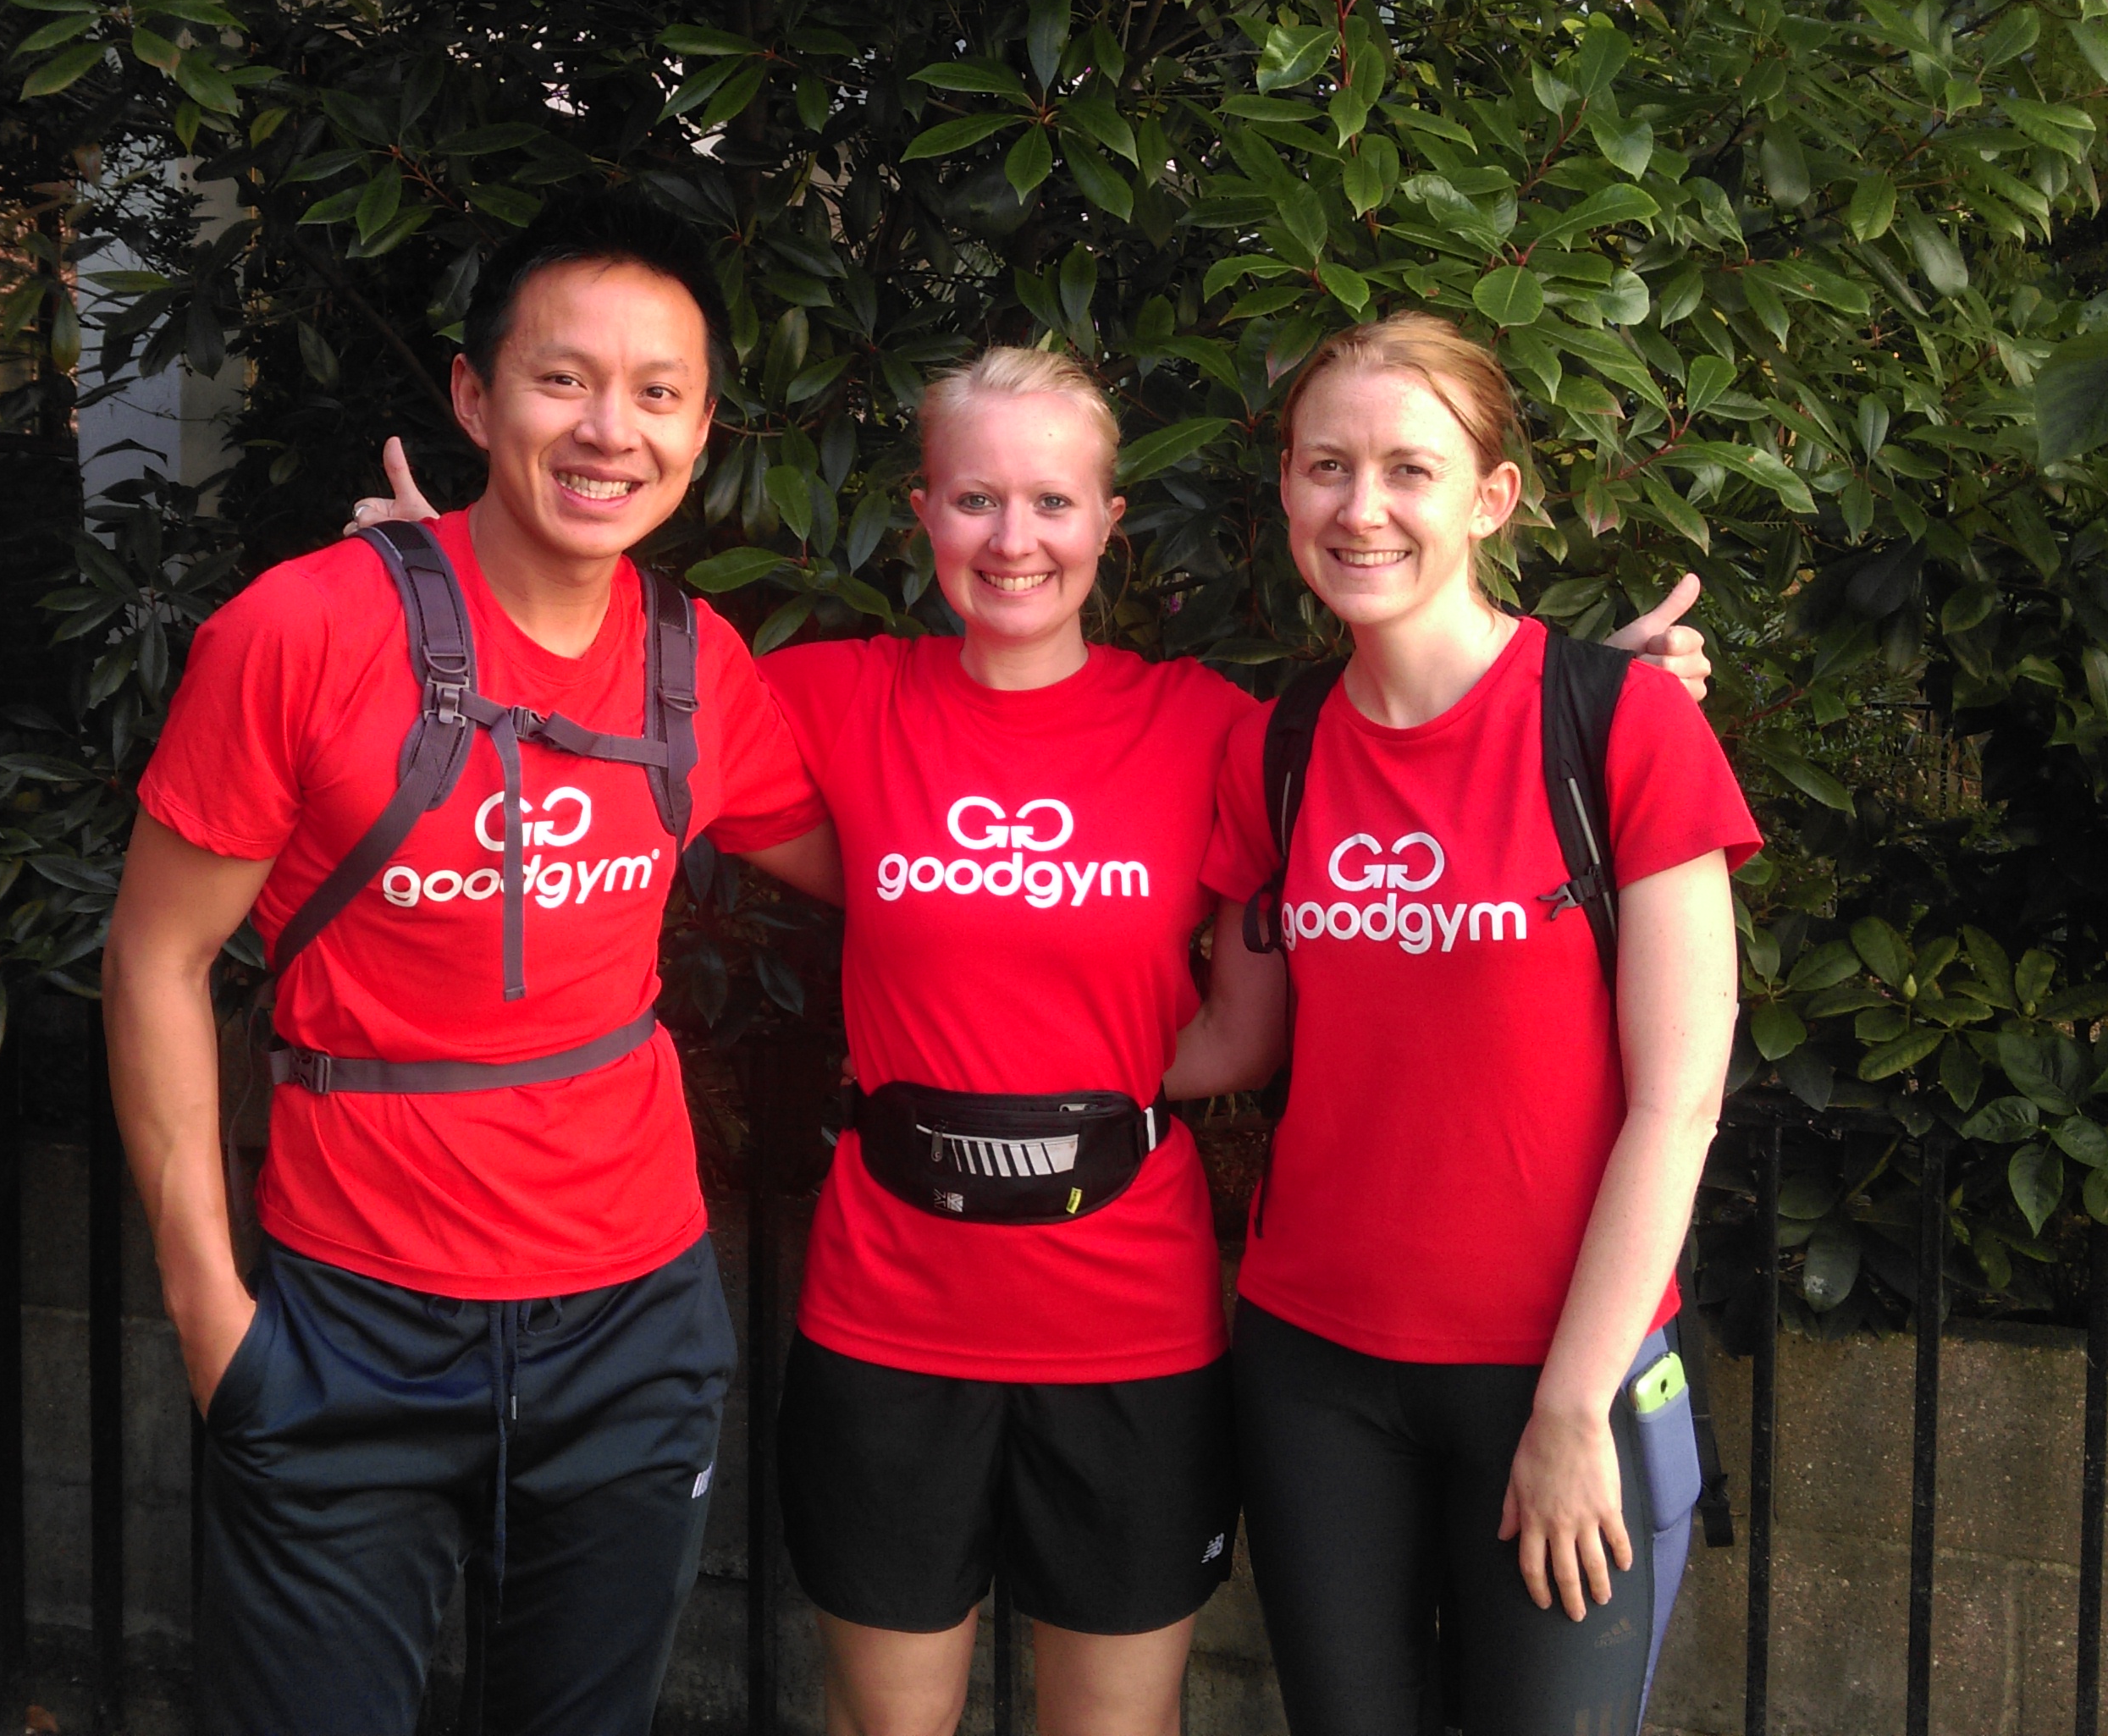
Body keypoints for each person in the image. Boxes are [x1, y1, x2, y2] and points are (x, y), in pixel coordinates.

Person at [351, 344, 1711, 1736]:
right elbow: (588, 714)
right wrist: (452, 587)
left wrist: (1594, 699)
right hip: (889, 1314)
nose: (1015, 540)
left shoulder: (1215, 735)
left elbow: (1421, 775)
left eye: (1054, 502)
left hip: (1132, 1323)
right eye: (976, 499)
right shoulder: (829, 700)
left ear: (1111, 522)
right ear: (921, 512)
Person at [101, 190, 847, 1736]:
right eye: (561, 378)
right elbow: (157, 961)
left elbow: (904, 870)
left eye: (657, 394)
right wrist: (207, 1312)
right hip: (347, 1320)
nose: (607, 431)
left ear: (701, 434)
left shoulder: (694, 664)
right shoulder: (302, 632)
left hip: (632, 1326)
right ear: (472, 395)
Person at [1189, 311, 1757, 1736]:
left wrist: (1573, 1411)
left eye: (1408, 470)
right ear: (1287, 493)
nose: (1360, 507)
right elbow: (1230, 1043)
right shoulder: (1280, 746)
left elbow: (1678, 1101)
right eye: (1327, 467)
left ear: (1491, 499)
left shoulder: (1619, 725)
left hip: (1564, 1370)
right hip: (1315, 1370)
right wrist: (986, 1056)